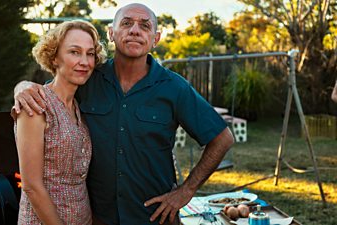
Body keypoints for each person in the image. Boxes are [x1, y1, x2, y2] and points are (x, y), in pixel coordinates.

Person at [14, 3, 234, 225]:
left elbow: (222, 139)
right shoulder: (88, 78)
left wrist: (186, 190)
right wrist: (21, 87)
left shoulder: (174, 88)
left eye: (145, 26)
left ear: (155, 39)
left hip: (154, 218)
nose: (135, 30)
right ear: (111, 33)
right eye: (126, 23)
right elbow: (51, 93)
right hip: (98, 219)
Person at [14, 20, 106, 225]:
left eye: (90, 53)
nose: (85, 61)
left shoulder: (78, 108)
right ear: (54, 57)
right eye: (74, 52)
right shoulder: (36, 104)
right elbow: (32, 186)